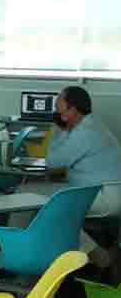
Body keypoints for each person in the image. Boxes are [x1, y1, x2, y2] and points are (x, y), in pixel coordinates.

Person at [14, 86, 121, 272]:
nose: (56, 112)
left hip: (103, 197)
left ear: (73, 110)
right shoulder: (93, 126)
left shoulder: (85, 133)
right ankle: (98, 255)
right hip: (100, 191)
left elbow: (53, 161)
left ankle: (19, 257)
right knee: (46, 203)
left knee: (27, 196)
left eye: (59, 108)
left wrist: (58, 129)